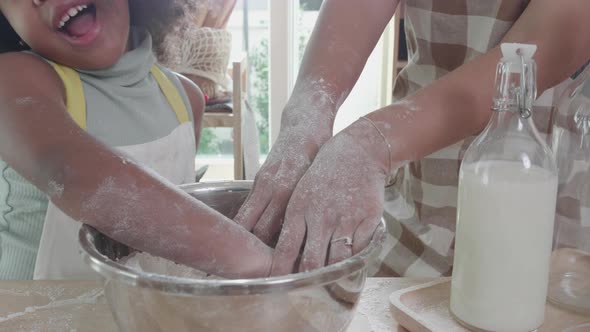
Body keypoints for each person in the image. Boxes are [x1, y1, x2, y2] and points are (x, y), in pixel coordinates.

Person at [234, 0, 590, 276]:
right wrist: (307, 114)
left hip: (558, 226)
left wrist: (369, 145)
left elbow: (543, 46)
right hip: (422, 203)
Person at [0, 0, 272, 280]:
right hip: (32, 315)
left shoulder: (185, 98)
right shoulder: (13, 80)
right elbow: (70, 172)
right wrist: (258, 262)